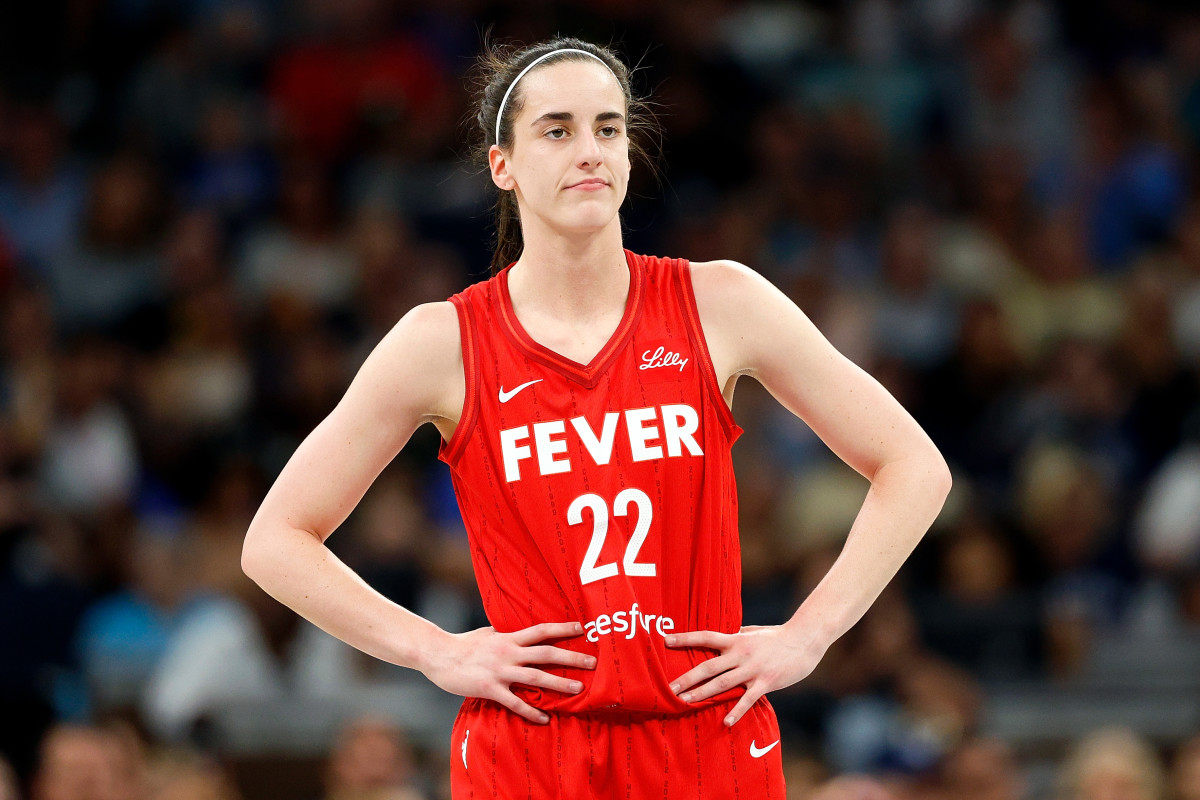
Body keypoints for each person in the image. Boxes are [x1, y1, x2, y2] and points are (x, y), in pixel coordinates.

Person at [241, 37, 952, 799]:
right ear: (501, 165)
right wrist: (434, 651)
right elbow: (274, 542)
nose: (590, 151)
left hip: (706, 730)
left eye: (608, 128)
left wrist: (810, 635)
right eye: (557, 130)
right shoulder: (441, 342)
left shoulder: (720, 302)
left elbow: (916, 467)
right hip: (531, 743)